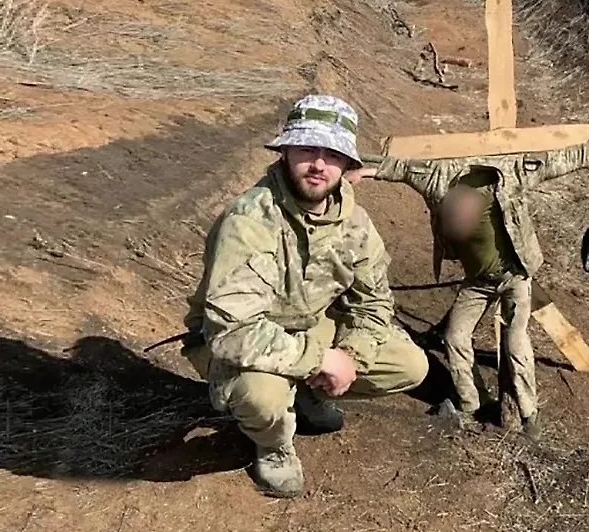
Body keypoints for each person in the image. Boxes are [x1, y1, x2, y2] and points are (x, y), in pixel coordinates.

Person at [181, 95, 429, 498]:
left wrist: (351, 356)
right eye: (308, 149)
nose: (318, 164)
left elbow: (375, 303)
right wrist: (320, 358)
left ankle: (309, 392)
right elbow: (232, 332)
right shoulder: (249, 222)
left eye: (332, 153)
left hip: (310, 326)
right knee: (260, 398)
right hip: (242, 339)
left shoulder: (355, 222)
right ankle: (273, 446)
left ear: (348, 165)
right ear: (285, 151)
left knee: (409, 365)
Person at [348, 141, 589, 438]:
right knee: (455, 336)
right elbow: (403, 169)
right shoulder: (438, 182)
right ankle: (470, 405)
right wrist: (367, 172)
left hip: (515, 277)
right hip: (477, 283)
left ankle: (529, 412)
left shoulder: (510, 176)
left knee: (515, 344)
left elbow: (552, 163)